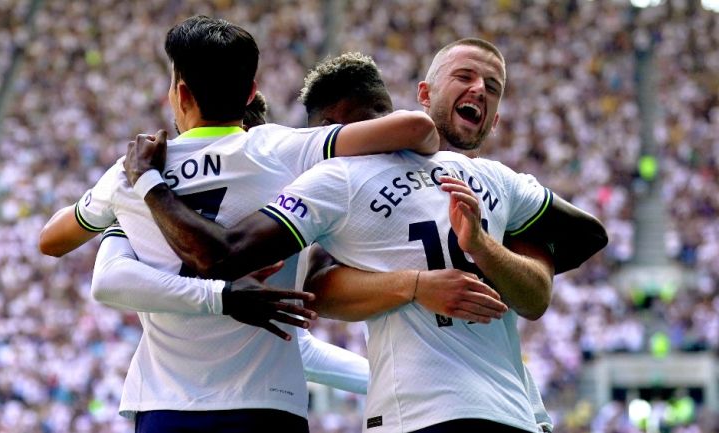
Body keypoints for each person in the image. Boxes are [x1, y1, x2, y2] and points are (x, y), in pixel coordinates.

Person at [125, 38, 607, 433]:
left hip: (417, 414)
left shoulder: (336, 179)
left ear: (326, 133)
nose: (479, 90)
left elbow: (230, 258)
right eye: (465, 77)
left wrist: (148, 181)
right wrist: (481, 260)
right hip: (514, 411)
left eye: (491, 86)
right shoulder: (488, 176)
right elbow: (587, 236)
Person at [39, 15, 447, 433]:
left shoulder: (130, 173)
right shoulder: (281, 148)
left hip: (166, 406)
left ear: (179, 94)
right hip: (268, 405)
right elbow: (415, 127)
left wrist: (120, 204)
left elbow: (51, 240)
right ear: (251, 91)